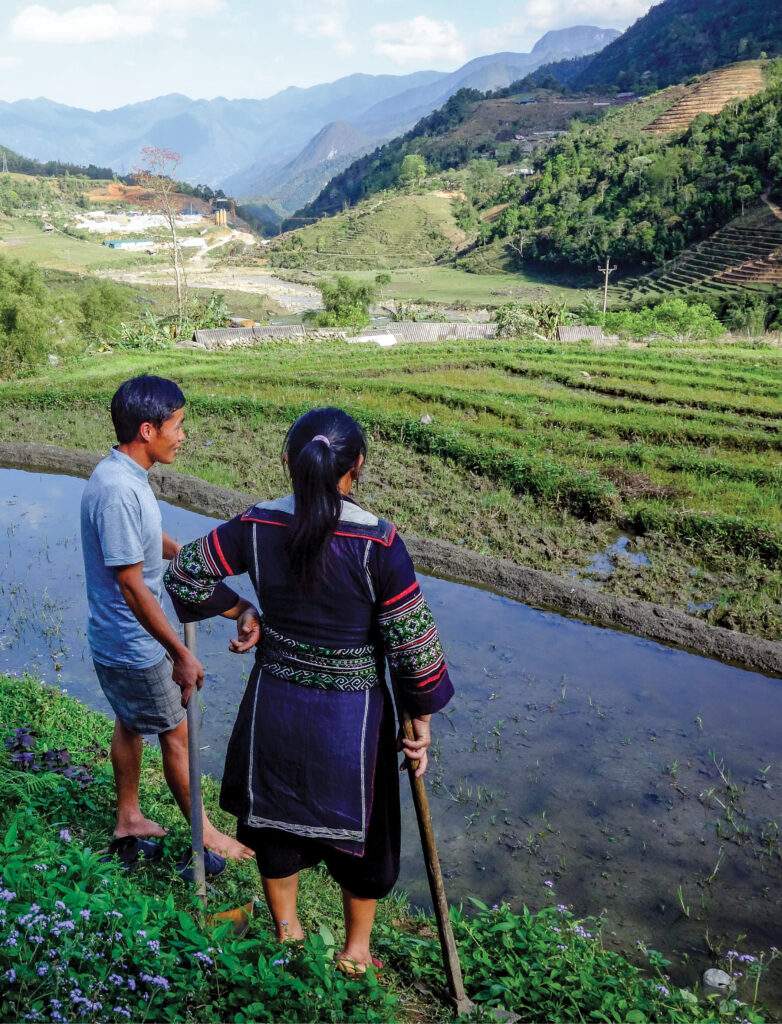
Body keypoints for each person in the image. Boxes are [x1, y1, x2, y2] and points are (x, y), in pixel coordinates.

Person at [164, 407, 454, 972]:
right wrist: (419, 722)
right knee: (364, 836)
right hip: (355, 719)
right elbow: (414, 647)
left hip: (276, 705)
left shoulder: (258, 525)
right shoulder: (379, 543)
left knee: (275, 820)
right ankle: (356, 951)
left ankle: (288, 933)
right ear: (358, 467)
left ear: (287, 463)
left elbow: (185, 573)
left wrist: (240, 607)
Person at [80, 374, 256, 865]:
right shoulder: (119, 490)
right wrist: (179, 652)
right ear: (146, 430)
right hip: (134, 646)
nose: (183, 436)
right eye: (177, 426)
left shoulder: (123, 475)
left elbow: (144, 540)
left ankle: (129, 815)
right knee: (176, 732)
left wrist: (185, 555)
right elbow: (132, 584)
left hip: (121, 641)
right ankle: (207, 834)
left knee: (131, 722)